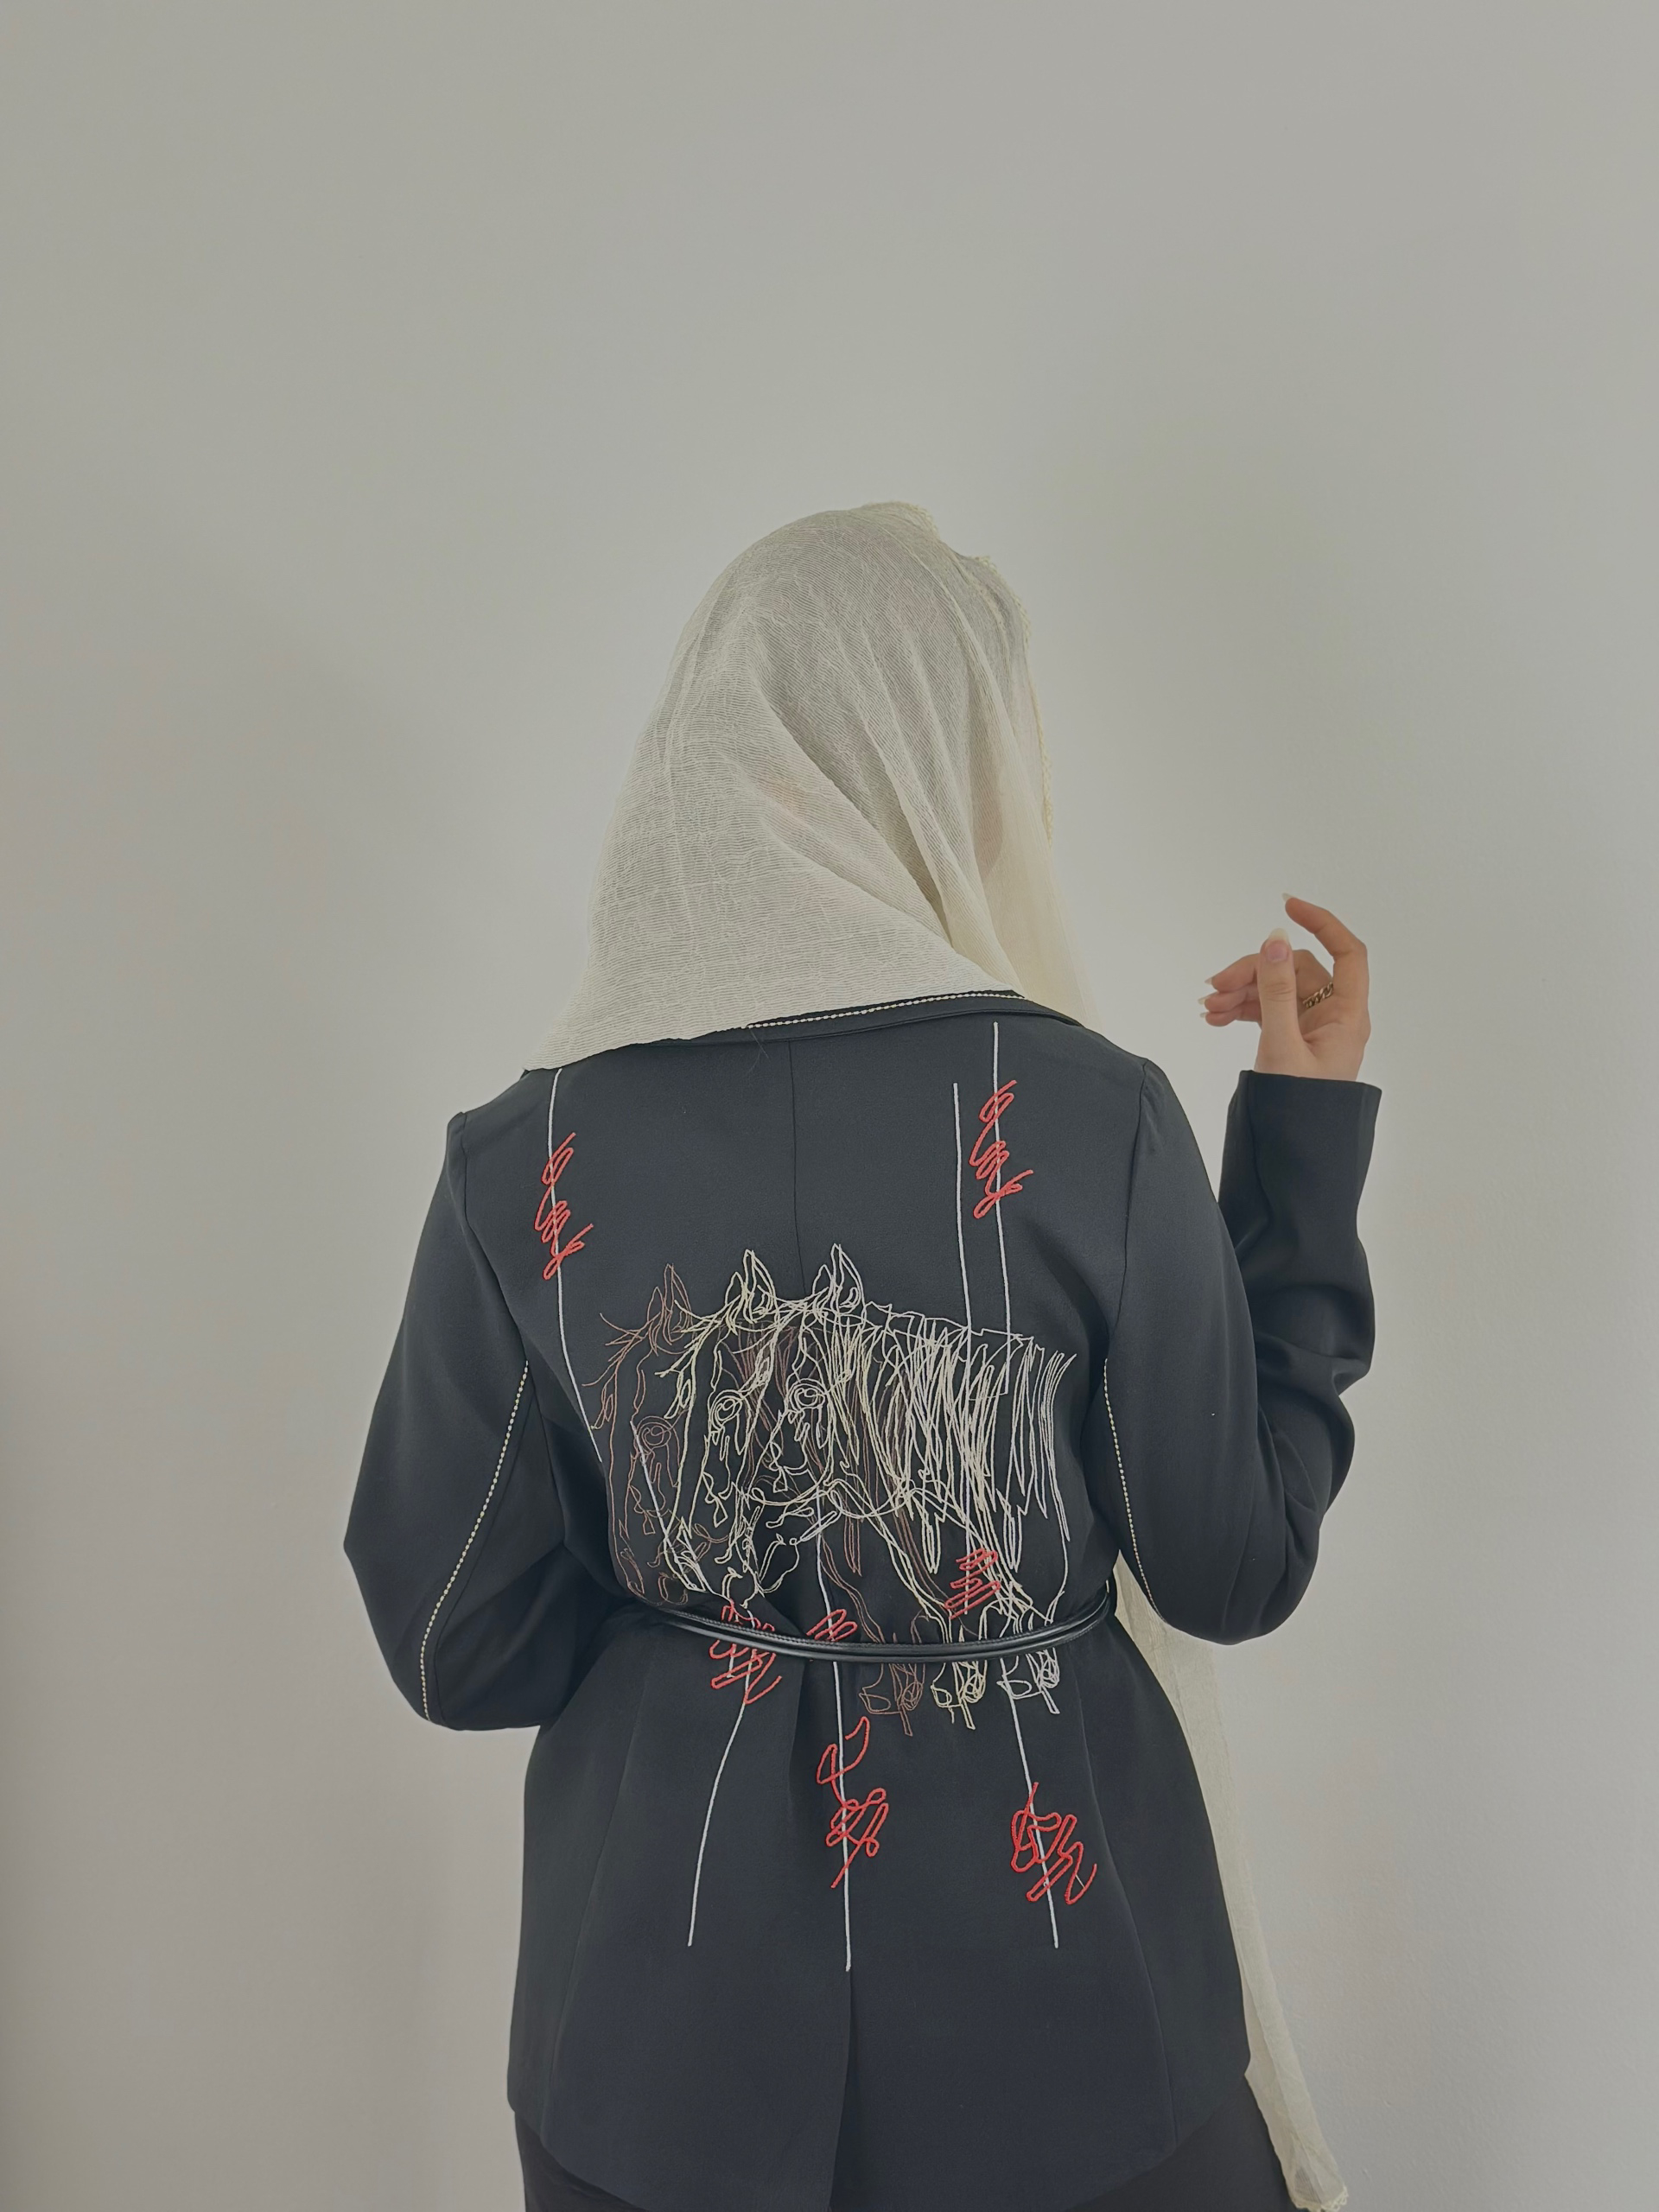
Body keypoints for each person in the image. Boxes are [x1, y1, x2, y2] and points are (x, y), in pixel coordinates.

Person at [345, 503, 1379, 2212]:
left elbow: (459, 1640)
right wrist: (1300, 1146)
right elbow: (1232, 1565)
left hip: (655, 2060)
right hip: (1078, 2046)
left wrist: (707, 1600)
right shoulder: (1093, 1120)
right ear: (951, 762)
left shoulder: (524, 1160)